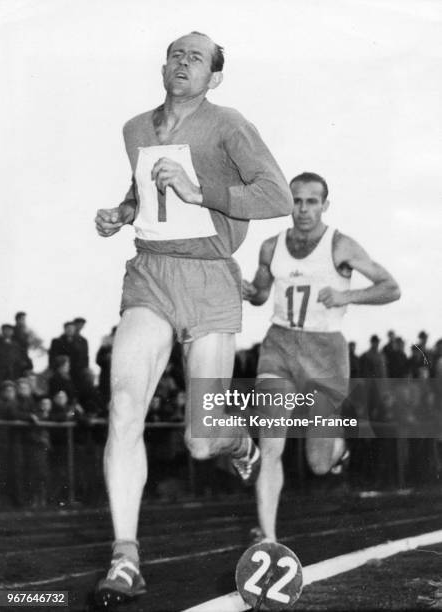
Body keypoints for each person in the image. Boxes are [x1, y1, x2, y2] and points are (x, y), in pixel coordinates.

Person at [94, 31, 293, 603]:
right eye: (177, 55)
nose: (184, 63)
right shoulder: (134, 128)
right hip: (151, 274)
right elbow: (143, 195)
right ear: (164, 67)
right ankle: (125, 557)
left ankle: (241, 447)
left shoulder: (229, 124)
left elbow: (275, 195)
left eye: (197, 58)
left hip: (209, 279)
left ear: (215, 77)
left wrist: (199, 188)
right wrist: (121, 211)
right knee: (124, 405)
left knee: (203, 438)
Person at [242, 171, 400, 542]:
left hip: (325, 353)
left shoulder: (340, 245)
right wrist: (248, 291)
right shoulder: (270, 246)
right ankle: (267, 536)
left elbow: (390, 287)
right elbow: (262, 293)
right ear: (288, 203)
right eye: (296, 200)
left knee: (317, 463)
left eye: (312, 201)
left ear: (324, 205)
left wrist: (348, 296)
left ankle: (337, 448)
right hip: (279, 347)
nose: (303, 208)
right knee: (271, 444)